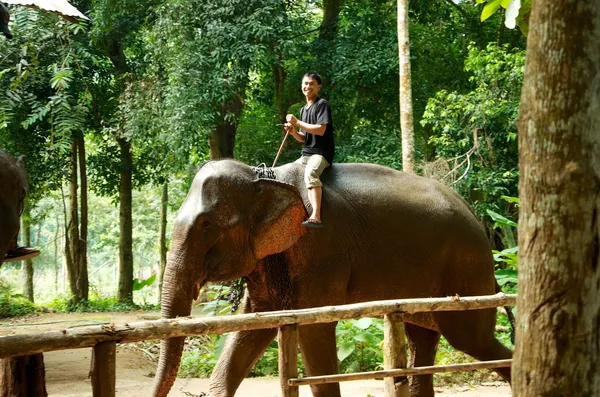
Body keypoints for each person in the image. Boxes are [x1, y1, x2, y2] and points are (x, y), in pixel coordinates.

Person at [284, 72, 334, 228]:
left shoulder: (322, 104)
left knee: (310, 173)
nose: (307, 87)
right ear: (301, 86)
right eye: (305, 84)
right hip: (306, 153)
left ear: (318, 86)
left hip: (321, 153)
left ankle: (316, 215)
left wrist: (297, 122)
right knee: (287, 173)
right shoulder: (304, 110)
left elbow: (320, 130)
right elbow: (304, 138)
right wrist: (293, 132)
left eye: (312, 84)